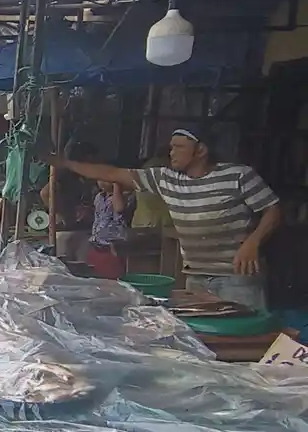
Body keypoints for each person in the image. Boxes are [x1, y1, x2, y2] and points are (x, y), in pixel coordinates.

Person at [50, 128, 281, 309]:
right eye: (171, 147)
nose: (171, 152)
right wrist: (64, 163)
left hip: (237, 277)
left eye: (179, 147)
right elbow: (110, 173)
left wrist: (254, 241)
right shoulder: (165, 179)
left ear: (201, 150)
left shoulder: (238, 175)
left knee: (244, 339)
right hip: (196, 277)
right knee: (205, 341)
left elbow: (273, 210)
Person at [85, 181, 134, 279]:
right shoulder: (99, 197)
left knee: (113, 281)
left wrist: (117, 185)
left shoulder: (125, 196)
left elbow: (119, 208)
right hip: (97, 245)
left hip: (113, 248)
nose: (102, 182)